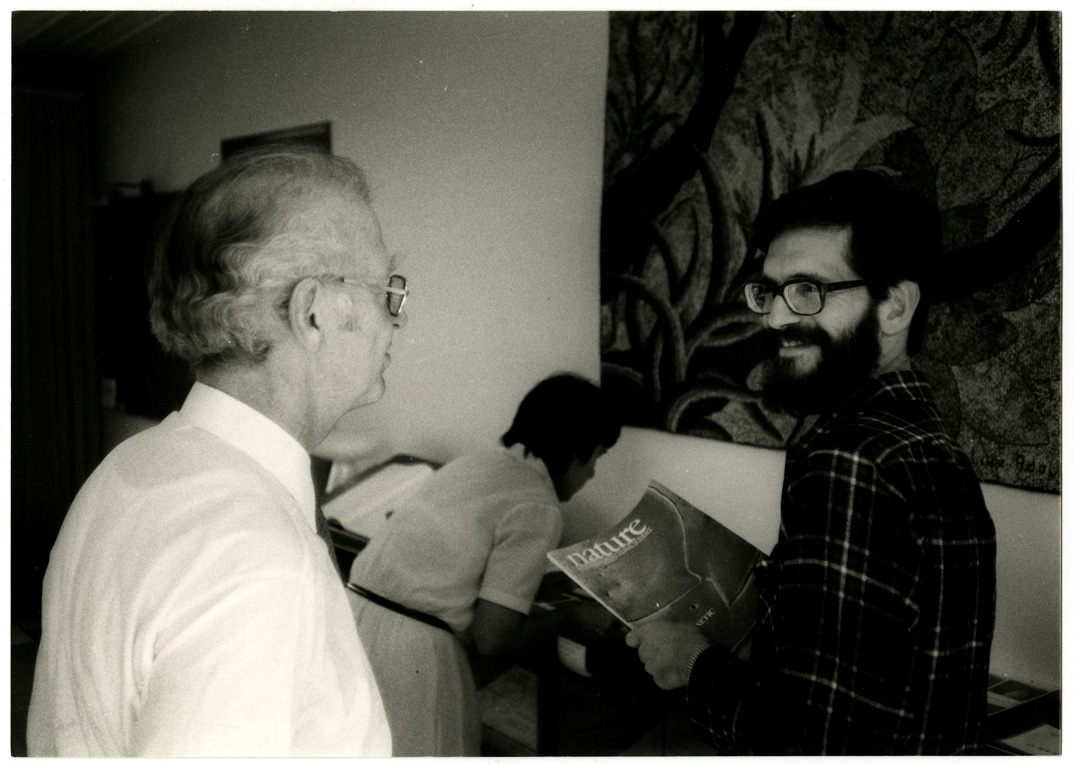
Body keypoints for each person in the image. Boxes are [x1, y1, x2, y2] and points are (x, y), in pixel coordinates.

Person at [27, 146, 405, 756]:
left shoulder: (128, 465)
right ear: (312, 314)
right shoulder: (256, 556)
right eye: (387, 290)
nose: (396, 320)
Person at [626, 170, 997, 755]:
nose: (774, 318)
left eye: (808, 290)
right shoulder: (927, 447)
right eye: (769, 292)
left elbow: (810, 743)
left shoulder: (851, 462)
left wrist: (690, 660)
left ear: (894, 306)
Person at [346, 373, 621, 756]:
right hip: (412, 657)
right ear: (578, 450)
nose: (592, 474)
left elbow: (454, 568)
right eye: (597, 458)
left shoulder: (471, 464)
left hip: (353, 625)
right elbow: (494, 639)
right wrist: (570, 618)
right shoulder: (539, 506)